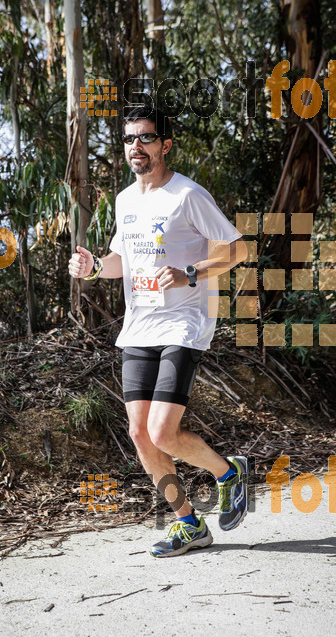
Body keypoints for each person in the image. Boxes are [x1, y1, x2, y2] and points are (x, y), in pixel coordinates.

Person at [68, 106, 248, 557]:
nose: (136, 147)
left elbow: (237, 249)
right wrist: (93, 269)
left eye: (146, 138)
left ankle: (229, 474)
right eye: (129, 139)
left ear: (165, 145)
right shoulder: (125, 201)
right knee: (139, 435)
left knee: (164, 432)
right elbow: (120, 263)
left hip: (184, 323)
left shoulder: (188, 195)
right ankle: (188, 524)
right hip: (139, 327)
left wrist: (191, 271)